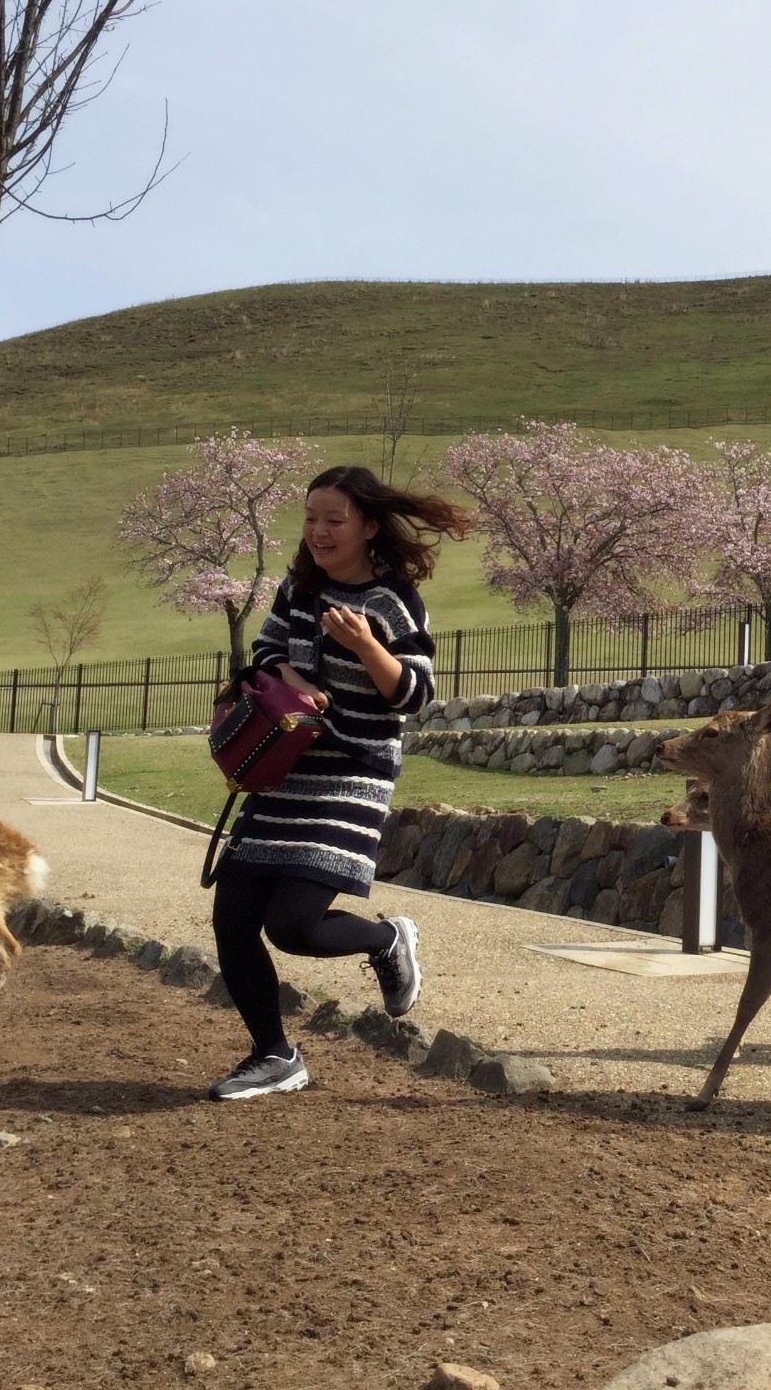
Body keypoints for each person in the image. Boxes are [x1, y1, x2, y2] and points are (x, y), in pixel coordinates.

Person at [206, 465, 472, 1101]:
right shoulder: (298, 589)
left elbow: (414, 694)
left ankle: (388, 938)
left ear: (369, 526)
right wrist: (291, 682)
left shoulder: (391, 601)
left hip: (352, 774)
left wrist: (368, 647)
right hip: (283, 768)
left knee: (294, 927)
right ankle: (274, 1056)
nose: (319, 532)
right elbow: (265, 655)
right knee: (233, 919)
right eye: (311, 519)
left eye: (335, 520)